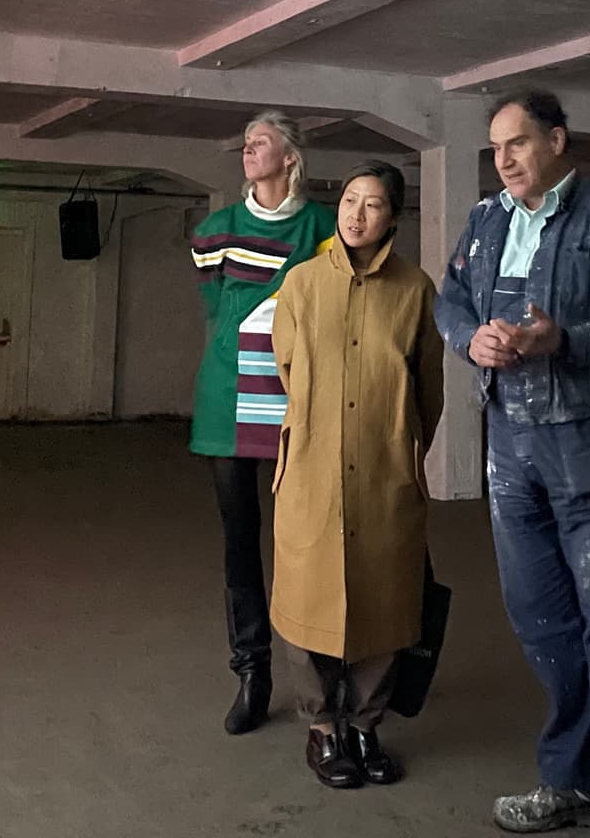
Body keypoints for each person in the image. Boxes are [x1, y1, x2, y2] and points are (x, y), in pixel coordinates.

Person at [434, 89, 590, 838]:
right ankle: (573, 782)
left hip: (585, 444)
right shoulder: (484, 219)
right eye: (496, 148)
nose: (503, 160)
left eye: (518, 144)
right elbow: (451, 299)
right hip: (509, 441)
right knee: (542, 622)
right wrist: (471, 339)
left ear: (558, 141)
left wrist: (566, 340)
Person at [268, 160, 445, 789]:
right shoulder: (302, 284)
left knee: (385, 599)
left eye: (372, 204)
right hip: (313, 466)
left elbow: (428, 388)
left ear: (394, 217)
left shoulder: (416, 290)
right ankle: (322, 730)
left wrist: (398, 444)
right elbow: (289, 369)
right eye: (349, 200)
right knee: (304, 597)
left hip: (384, 469)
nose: (356, 214)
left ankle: (366, 726)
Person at [189, 111, 338, 735]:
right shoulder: (215, 230)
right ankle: (252, 672)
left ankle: (319, 673)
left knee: (306, 542)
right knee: (240, 540)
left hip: (296, 400)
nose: (247, 150)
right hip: (228, 398)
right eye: (245, 143)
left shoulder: (323, 227)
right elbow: (214, 306)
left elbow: (332, 307)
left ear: (290, 157)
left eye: (260, 142)